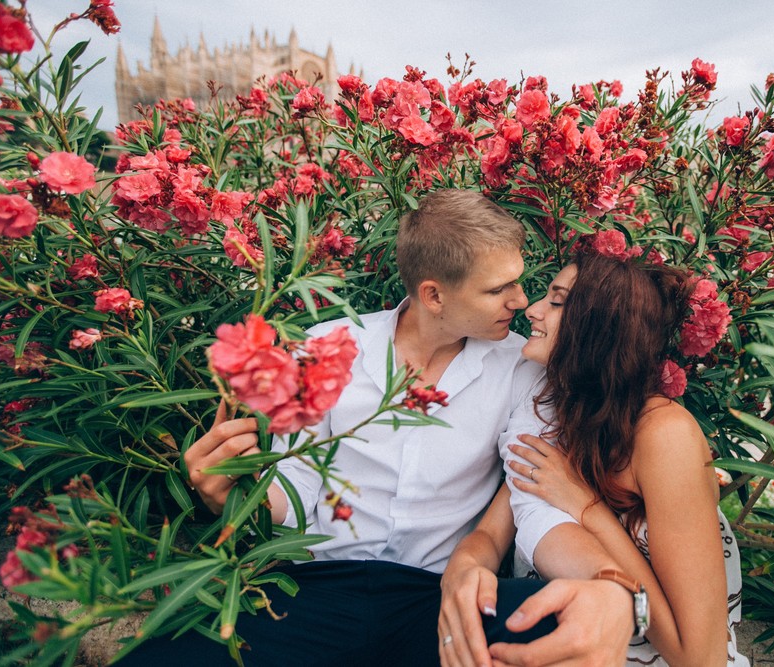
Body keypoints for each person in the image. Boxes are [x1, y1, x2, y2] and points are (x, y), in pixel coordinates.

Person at [128, 190, 635, 666]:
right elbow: (298, 486)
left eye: (518, 282)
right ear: (433, 295)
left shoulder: (518, 369)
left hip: (433, 598)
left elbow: (533, 500)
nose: (521, 301)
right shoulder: (326, 347)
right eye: (498, 288)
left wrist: (606, 583)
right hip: (312, 591)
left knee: (563, 624)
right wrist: (236, 493)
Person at [440, 250, 750, 667]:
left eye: (556, 300)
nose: (531, 310)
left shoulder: (664, 436)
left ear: (600, 326)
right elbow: (493, 535)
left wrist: (587, 510)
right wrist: (463, 570)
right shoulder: (560, 414)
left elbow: (700, 657)